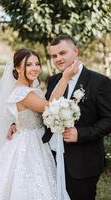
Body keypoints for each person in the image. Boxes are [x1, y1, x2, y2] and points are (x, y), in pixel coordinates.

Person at [0, 48, 79, 200]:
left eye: (37, 64)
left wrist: (15, 122)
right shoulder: (24, 93)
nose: (35, 68)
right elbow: (50, 106)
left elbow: (26, 113)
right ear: (17, 68)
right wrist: (65, 78)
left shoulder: (28, 89)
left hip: (33, 138)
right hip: (28, 143)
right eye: (29, 65)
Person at [42, 35, 111, 200]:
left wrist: (80, 134)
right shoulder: (54, 80)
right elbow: (44, 110)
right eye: (54, 56)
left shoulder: (99, 81)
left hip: (83, 162)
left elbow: (109, 119)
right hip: (52, 158)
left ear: (75, 51)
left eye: (62, 53)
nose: (58, 59)